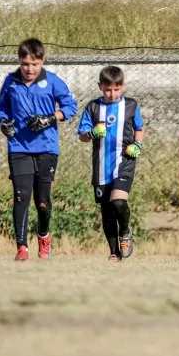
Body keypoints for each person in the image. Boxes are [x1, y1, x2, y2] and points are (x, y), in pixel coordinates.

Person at [0, 38, 78, 261]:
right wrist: (3, 123)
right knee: (21, 196)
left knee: (42, 202)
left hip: (46, 148)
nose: (29, 69)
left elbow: (71, 106)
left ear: (42, 61)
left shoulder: (52, 81)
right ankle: (22, 248)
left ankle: (44, 237)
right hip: (18, 147)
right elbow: (2, 109)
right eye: (25, 64)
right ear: (19, 61)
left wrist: (49, 118)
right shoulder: (10, 82)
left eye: (34, 64)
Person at [77, 66, 146, 262]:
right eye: (108, 89)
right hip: (101, 166)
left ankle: (125, 231)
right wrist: (92, 133)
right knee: (107, 212)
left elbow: (140, 128)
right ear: (100, 86)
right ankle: (115, 253)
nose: (112, 94)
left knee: (118, 201)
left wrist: (137, 144)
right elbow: (82, 136)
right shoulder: (92, 107)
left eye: (116, 89)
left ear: (122, 86)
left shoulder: (131, 105)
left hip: (124, 162)